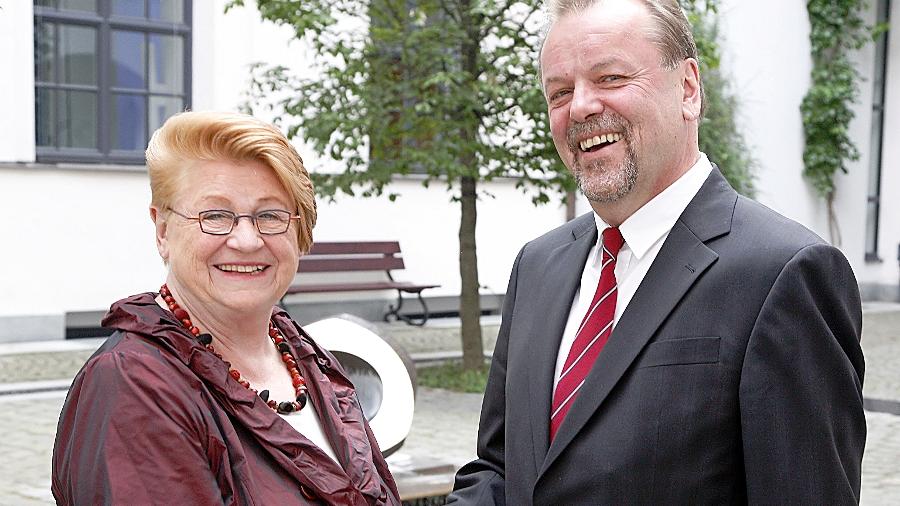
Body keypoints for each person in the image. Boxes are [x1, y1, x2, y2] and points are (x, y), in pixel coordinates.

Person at [449, 0, 866, 504]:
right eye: (559, 91)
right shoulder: (537, 265)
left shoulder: (785, 273)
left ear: (688, 88)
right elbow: (498, 467)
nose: (580, 107)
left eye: (610, 78)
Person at [52, 111, 401, 505]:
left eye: (270, 215)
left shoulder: (306, 356)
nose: (247, 240)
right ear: (163, 230)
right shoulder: (134, 387)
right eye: (215, 216)